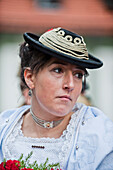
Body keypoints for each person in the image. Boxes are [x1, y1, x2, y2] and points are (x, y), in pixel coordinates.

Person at [0, 27, 113, 170]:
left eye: (78, 74)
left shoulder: (100, 136)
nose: (70, 85)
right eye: (58, 70)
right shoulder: (4, 129)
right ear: (30, 77)